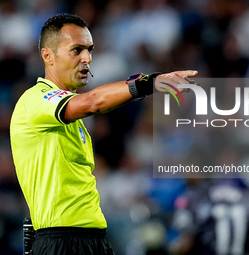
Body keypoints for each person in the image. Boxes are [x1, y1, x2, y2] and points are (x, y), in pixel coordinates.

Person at [10, 13, 197, 255]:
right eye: (76, 50)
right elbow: (94, 101)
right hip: (63, 239)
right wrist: (151, 82)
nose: (87, 58)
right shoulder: (36, 100)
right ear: (48, 55)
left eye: (89, 49)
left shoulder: (70, 115)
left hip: (90, 238)